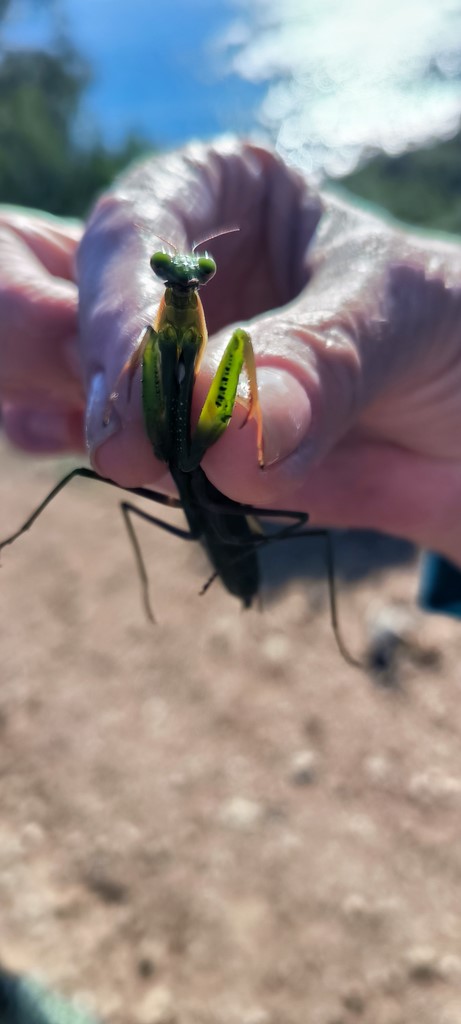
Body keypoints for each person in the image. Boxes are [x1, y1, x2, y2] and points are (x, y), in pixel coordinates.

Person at [1, 138, 461, 610]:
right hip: (204, 501)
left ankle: (322, 616)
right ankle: (36, 540)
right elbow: (148, 352)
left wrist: (285, 382)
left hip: (232, 538)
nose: (184, 283)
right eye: (168, 272)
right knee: (107, 463)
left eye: (197, 275)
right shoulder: (152, 333)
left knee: (237, 348)